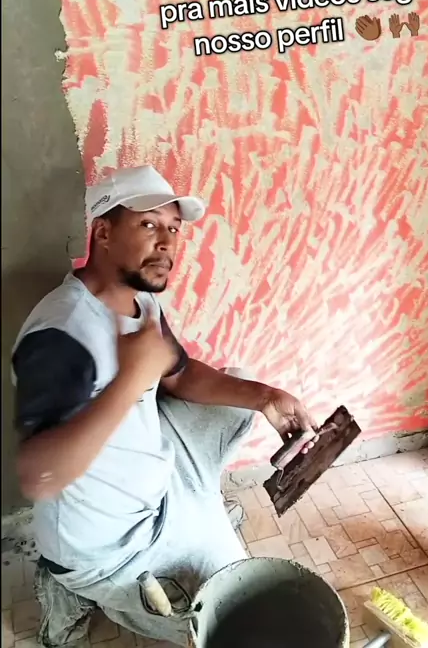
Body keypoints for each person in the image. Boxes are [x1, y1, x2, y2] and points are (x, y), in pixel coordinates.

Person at [12, 165, 317, 647]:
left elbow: (181, 374)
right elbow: (38, 477)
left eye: (174, 228)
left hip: (162, 494)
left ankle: (201, 503)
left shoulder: (141, 302)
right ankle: (69, 586)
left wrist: (267, 397)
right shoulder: (62, 332)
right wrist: (132, 378)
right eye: (149, 224)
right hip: (107, 547)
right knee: (221, 626)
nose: (167, 242)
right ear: (103, 233)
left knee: (237, 389)